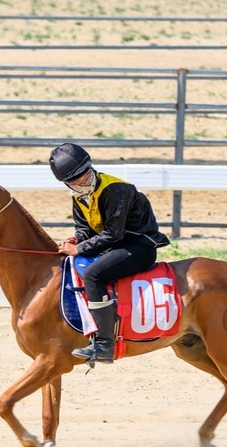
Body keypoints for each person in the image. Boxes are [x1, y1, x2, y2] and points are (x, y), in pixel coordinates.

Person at [50, 142, 170, 364]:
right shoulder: (78, 196)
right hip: (115, 246)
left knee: (93, 275)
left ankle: (104, 344)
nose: (83, 181)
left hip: (139, 246)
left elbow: (113, 233)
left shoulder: (116, 189)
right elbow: (84, 228)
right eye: (76, 180)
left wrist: (79, 249)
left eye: (86, 174)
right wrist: (77, 239)